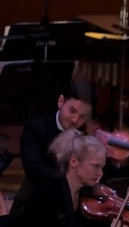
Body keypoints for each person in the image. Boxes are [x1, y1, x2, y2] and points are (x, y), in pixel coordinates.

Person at [11, 80, 94, 215]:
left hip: (75, 204)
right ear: (61, 101)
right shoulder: (36, 127)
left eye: (83, 116)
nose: (75, 120)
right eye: (72, 111)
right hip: (35, 202)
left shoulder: (87, 135)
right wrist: (72, 178)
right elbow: (33, 169)